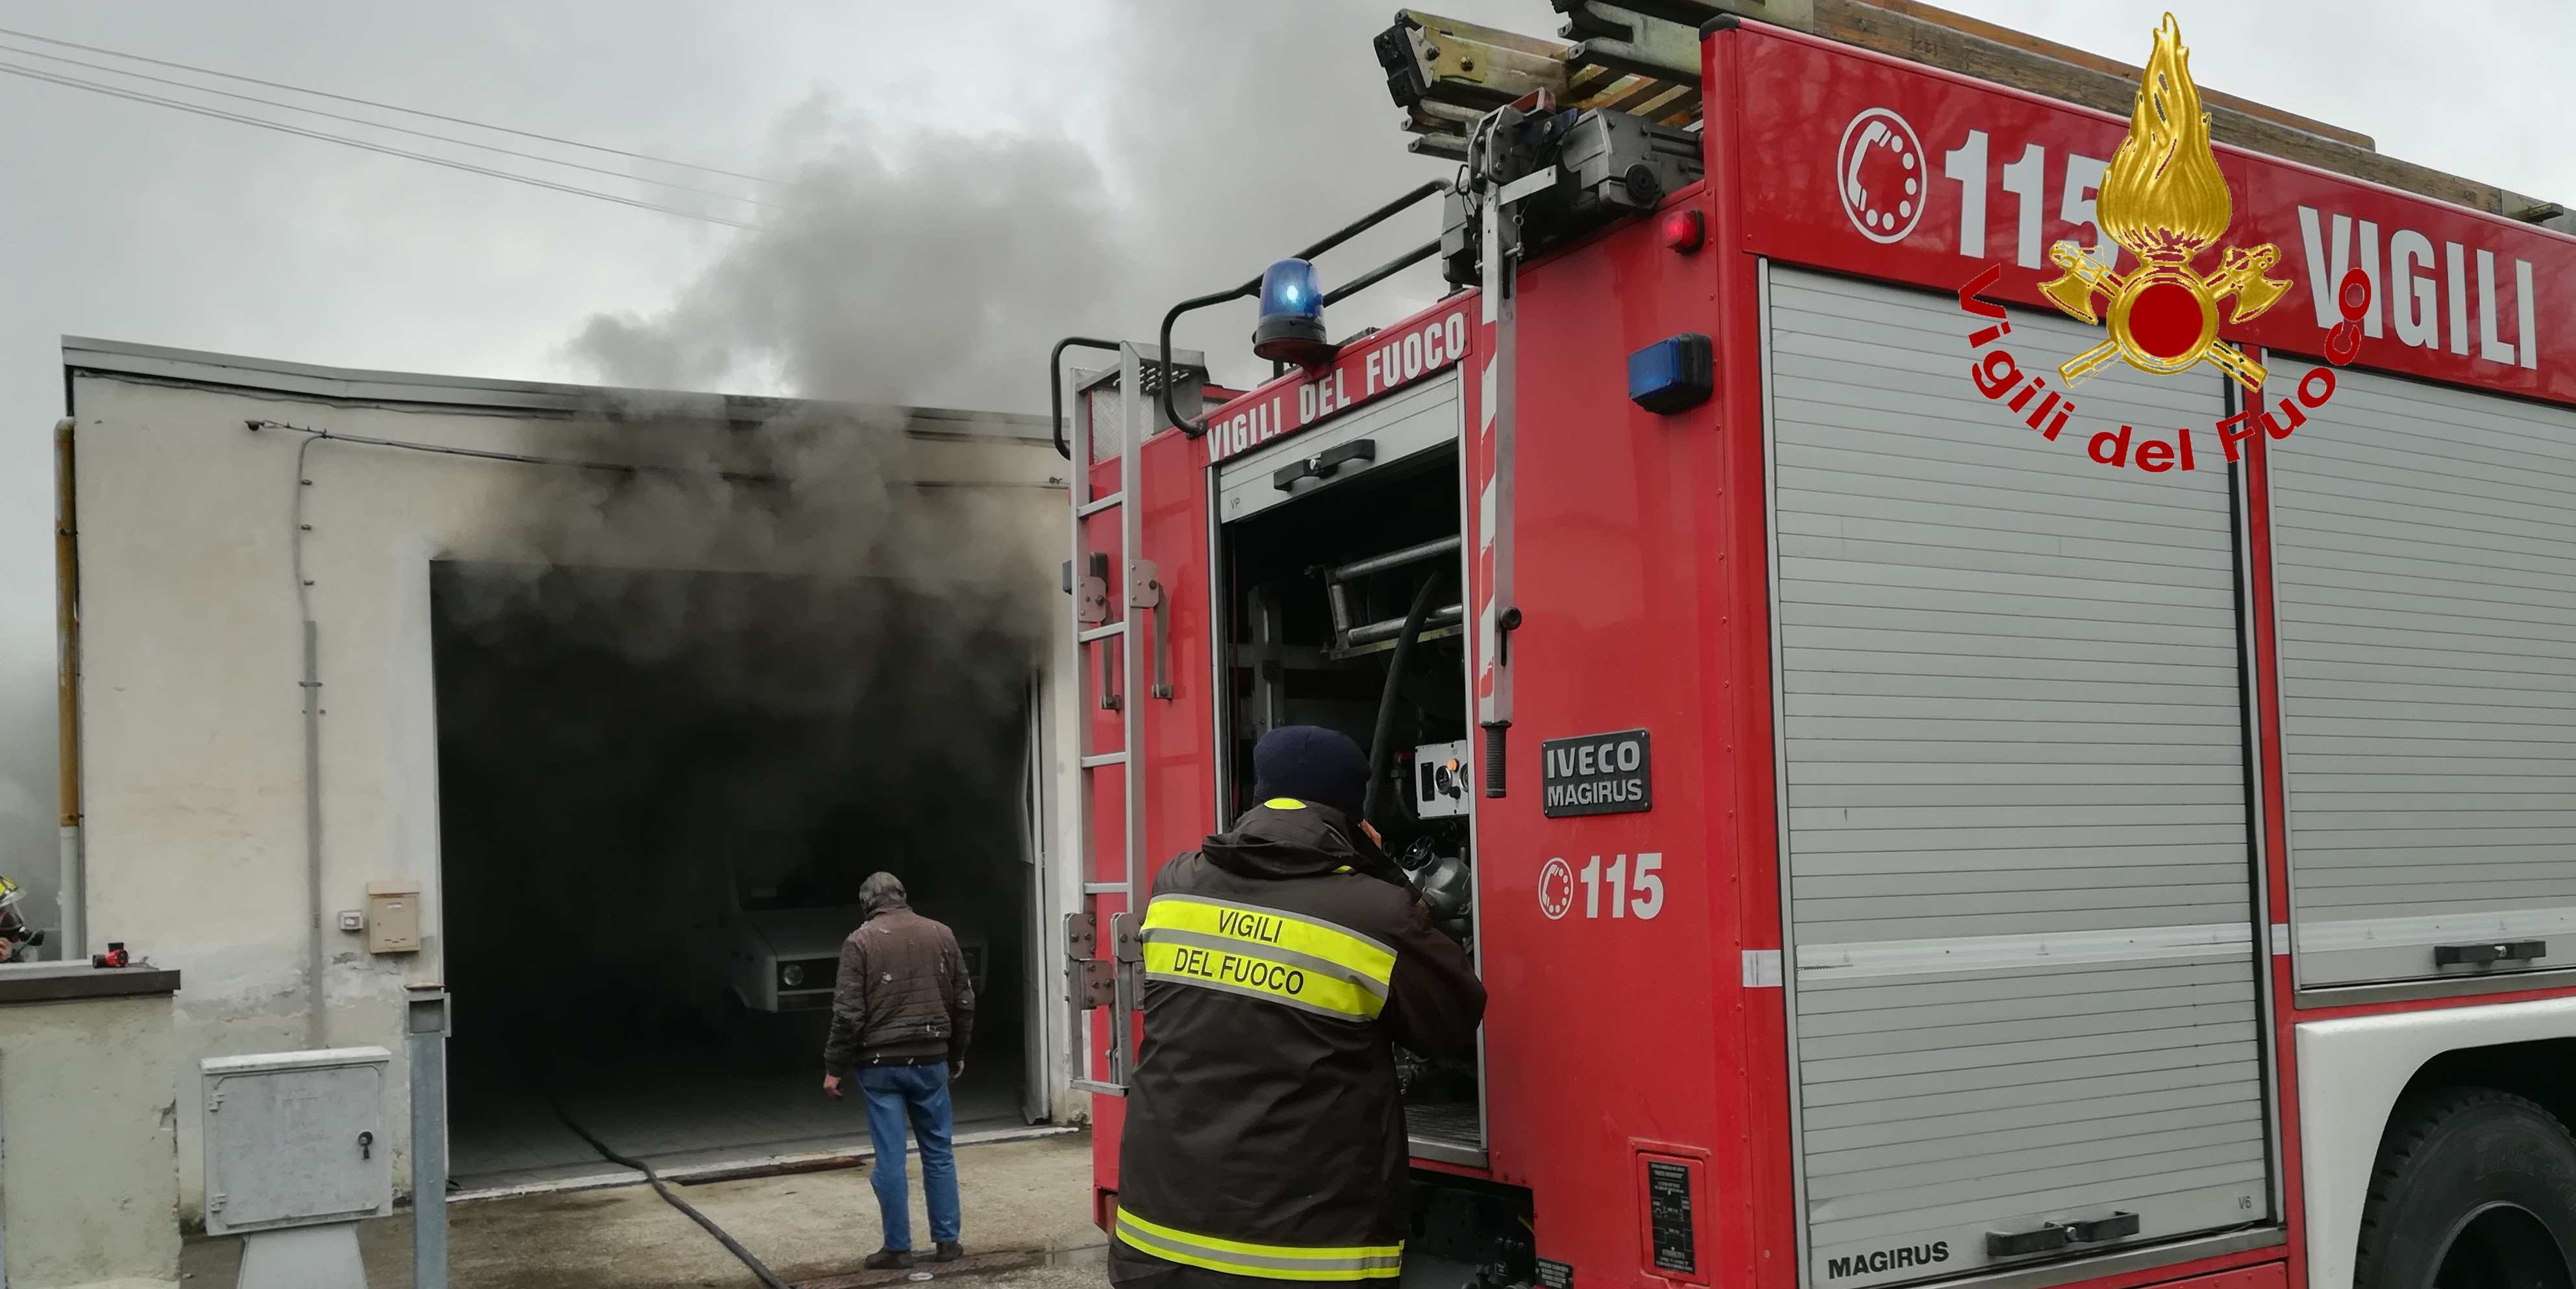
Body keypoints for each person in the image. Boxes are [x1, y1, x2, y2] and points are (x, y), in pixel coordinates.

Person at [1110, 725, 1487, 1287]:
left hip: (1155, 1238)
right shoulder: (1375, 912)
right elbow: (1453, 1019)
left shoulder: (1175, 884)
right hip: (1299, 1257)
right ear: (1352, 812)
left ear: (1259, 797)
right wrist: (1387, 877)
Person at [822, 871, 974, 1270]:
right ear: (903, 897)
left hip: (880, 1067)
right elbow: (963, 1002)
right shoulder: (942, 934)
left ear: (866, 903)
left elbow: (848, 1013)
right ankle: (948, 1243)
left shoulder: (860, 941)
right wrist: (955, 1053)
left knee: (890, 1157)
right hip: (930, 1061)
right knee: (939, 1152)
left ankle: (898, 1248)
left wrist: (834, 1067)